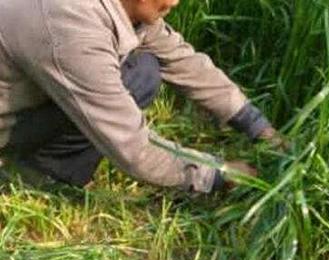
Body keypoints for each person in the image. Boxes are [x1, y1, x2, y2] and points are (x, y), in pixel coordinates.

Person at [0, 0, 286, 192]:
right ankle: (39, 175)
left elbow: (183, 62)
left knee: (143, 72)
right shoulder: (72, 28)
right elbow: (134, 149)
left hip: (24, 97)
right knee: (134, 82)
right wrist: (219, 173)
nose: (175, 2)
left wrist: (259, 128)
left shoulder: (121, 7)